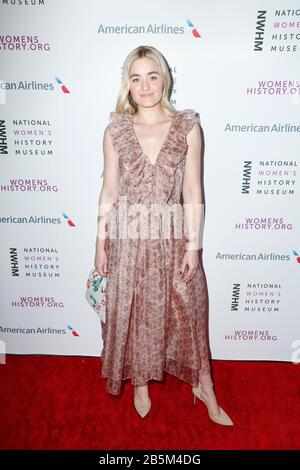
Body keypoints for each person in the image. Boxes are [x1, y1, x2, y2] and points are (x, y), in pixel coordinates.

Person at [94, 45, 233, 425]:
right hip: (127, 237)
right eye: (135, 78)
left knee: (191, 310)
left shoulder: (188, 127)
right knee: (138, 310)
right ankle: (140, 381)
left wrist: (193, 246)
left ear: (164, 79)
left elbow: (193, 191)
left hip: (172, 235)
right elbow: (108, 191)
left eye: (152, 76)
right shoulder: (115, 131)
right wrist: (99, 244)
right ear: (128, 84)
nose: (145, 86)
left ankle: (203, 385)